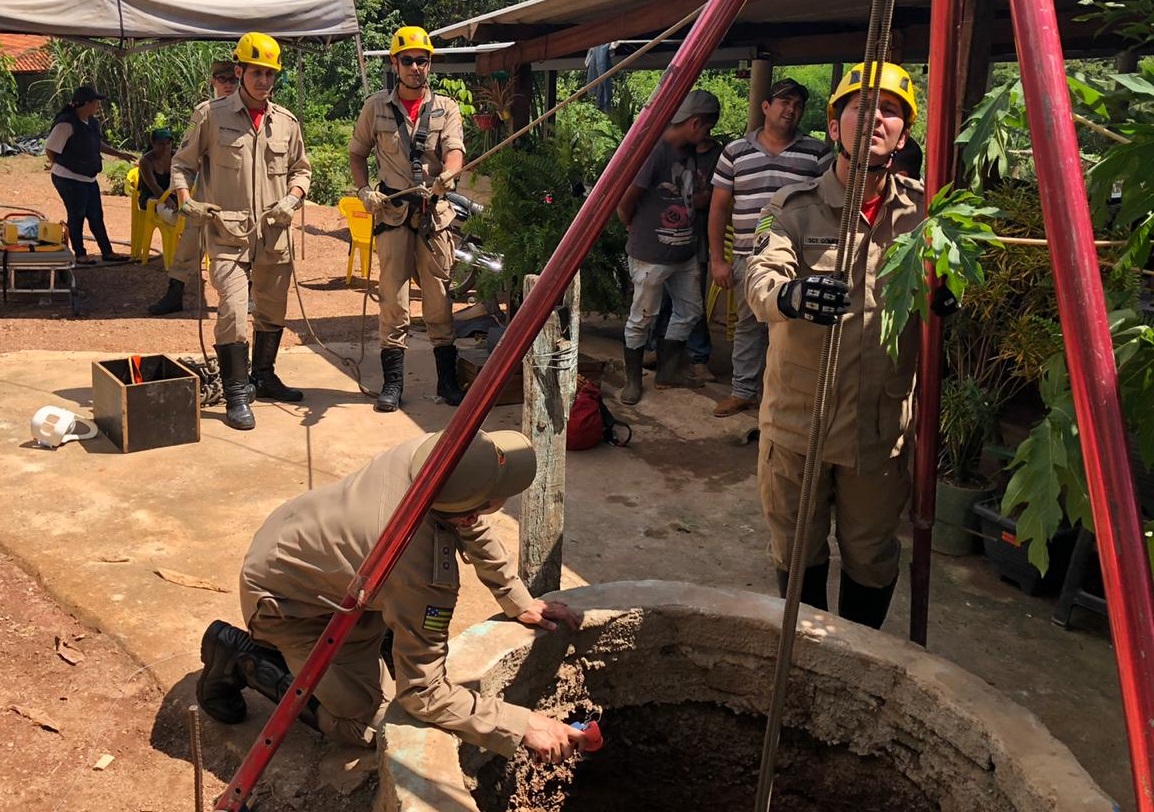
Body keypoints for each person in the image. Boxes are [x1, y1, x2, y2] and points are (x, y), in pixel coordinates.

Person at [196, 429, 589, 762]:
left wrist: (515, 597)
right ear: (467, 511)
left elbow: (472, 524)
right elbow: (424, 693)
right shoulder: (417, 571)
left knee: (392, 637)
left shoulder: (436, 454)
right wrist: (522, 725)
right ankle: (242, 658)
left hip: (301, 540)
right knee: (370, 725)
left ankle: (373, 640)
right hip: (288, 605)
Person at [744, 62, 934, 630]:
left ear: (904, 132)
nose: (876, 116)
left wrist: (952, 301)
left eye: (892, 109)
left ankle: (857, 663)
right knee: (796, 556)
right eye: (860, 105)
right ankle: (802, 662)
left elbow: (959, 288)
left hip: (878, 437)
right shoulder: (789, 207)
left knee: (872, 563)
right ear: (834, 125)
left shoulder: (927, 214)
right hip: (796, 426)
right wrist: (792, 295)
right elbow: (759, 278)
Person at [171, 34, 312, 432]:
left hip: (274, 234)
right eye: (256, 73)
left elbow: (302, 168)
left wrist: (293, 198)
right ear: (239, 71)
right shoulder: (210, 116)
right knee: (233, 310)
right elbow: (181, 165)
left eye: (270, 74)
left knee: (273, 311)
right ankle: (236, 393)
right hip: (226, 233)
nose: (264, 81)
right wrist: (187, 200)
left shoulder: (285, 122)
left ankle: (263, 377)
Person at [349, 25, 467, 414]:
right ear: (394, 64)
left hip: (435, 214)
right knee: (393, 301)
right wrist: (364, 190)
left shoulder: (447, 108)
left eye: (423, 60)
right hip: (393, 213)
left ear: (429, 64)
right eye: (408, 60)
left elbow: (454, 151)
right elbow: (357, 154)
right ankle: (393, 384)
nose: (416, 67)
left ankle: (447, 381)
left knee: (438, 300)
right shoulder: (375, 108)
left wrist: (449, 174)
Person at [709, 78, 832, 417]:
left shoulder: (817, 152)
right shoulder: (735, 152)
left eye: (798, 105)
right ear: (766, 107)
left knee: (795, 330)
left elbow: (830, 204)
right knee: (748, 326)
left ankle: (790, 398)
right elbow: (719, 207)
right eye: (784, 102)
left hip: (800, 260)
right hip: (749, 258)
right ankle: (744, 392)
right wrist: (717, 259)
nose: (791, 109)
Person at [616, 89, 720, 405]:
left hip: (684, 252)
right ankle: (632, 381)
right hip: (652, 254)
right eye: (707, 127)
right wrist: (633, 227)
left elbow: (687, 195)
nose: (708, 134)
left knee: (690, 311)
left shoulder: (685, 153)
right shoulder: (655, 152)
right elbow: (625, 200)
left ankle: (667, 371)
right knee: (643, 316)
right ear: (696, 123)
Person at [148, 61, 241, 316]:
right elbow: (184, 154)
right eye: (222, 79)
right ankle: (174, 293)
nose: (228, 85)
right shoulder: (203, 113)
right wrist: (183, 197)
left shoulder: (249, 113)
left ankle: (247, 299)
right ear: (213, 81)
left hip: (239, 197)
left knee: (246, 250)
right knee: (189, 246)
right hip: (205, 195)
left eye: (233, 80)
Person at [644, 132, 725, 383]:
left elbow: (709, 197)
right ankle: (660, 352)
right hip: (667, 239)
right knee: (664, 301)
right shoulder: (672, 150)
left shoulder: (715, 155)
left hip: (696, 237)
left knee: (692, 303)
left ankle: (698, 358)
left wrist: (681, 200)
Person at [44, 86, 136, 265]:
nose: (97, 106)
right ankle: (80, 254)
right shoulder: (66, 123)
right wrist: (62, 164)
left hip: (88, 178)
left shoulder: (91, 123)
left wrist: (120, 154)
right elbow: (50, 149)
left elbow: (96, 143)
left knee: (95, 215)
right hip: (68, 178)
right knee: (76, 214)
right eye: (95, 102)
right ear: (85, 104)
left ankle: (107, 252)